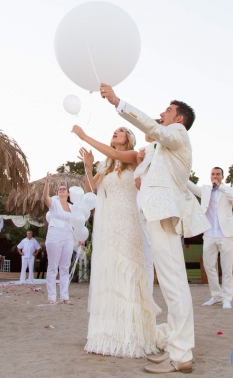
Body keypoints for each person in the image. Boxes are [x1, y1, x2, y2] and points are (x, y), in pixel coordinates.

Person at [98, 83, 210, 375]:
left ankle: (181, 354)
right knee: (172, 284)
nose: (162, 113)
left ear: (180, 119)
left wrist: (118, 102)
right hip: (157, 216)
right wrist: (141, 180)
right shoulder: (163, 149)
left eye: (168, 111)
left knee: (174, 284)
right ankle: (175, 345)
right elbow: (154, 160)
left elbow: (154, 129)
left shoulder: (178, 134)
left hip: (163, 217)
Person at [71, 125, 161, 358]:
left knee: (129, 271)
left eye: (120, 131)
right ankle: (108, 333)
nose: (115, 132)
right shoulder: (106, 165)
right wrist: (90, 166)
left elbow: (115, 155)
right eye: (114, 130)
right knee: (110, 273)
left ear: (128, 139)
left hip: (129, 221)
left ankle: (132, 333)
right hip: (109, 224)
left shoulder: (132, 158)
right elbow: (91, 188)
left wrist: (85, 136)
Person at [188, 167, 233, 309]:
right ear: (210, 176)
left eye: (218, 174)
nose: (215, 176)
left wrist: (221, 188)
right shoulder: (205, 190)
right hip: (209, 234)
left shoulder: (230, 190)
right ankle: (216, 296)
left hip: (225, 234)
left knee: (227, 267)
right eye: (213, 174)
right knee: (209, 266)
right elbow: (191, 187)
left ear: (222, 176)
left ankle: (227, 298)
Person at [133, 123, 161, 293]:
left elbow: (142, 172)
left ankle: (150, 292)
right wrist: (139, 160)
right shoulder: (144, 150)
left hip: (154, 205)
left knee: (154, 254)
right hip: (141, 204)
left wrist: (139, 163)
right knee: (146, 256)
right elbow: (140, 174)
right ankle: (146, 292)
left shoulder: (158, 148)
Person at [43, 176, 75, 304]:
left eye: (64, 189)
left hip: (68, 236)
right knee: (53, 267)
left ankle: (65, 297)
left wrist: (79, 238)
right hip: (54, 234)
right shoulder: (54, 203)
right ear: (57, 193)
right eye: (59, 189)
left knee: (65, 267)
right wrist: (47, 182)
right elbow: (45, 197)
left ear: (68, 193)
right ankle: (52, 297)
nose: (61, 190)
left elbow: (76, 223)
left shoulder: (72, 207)